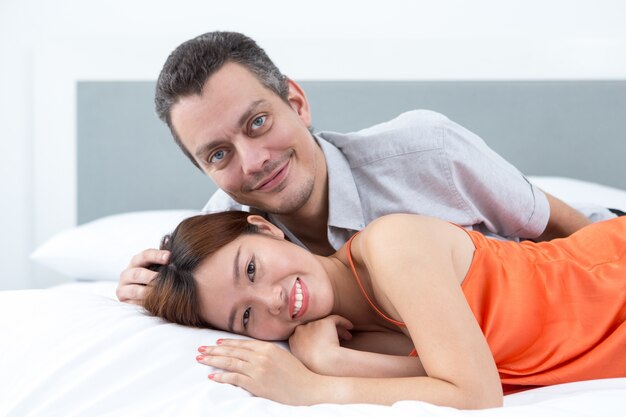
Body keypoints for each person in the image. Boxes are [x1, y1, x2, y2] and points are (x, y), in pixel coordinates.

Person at [117, 31, 616, 303]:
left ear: (297, 102)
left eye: (258, 121)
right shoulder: (223, 239)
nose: (253, 162)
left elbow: (571, 231)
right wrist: (149, 289)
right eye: (218, 155)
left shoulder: (429, 152)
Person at [142, 210, 626, 409]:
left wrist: (317, 386)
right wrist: (336, 359)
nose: (272, 300)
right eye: (245, 318)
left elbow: (479, 394)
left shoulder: (393, 246)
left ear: (265, 229)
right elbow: (448, 373)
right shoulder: (337, 336)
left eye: (250, 270)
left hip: (609, 283)